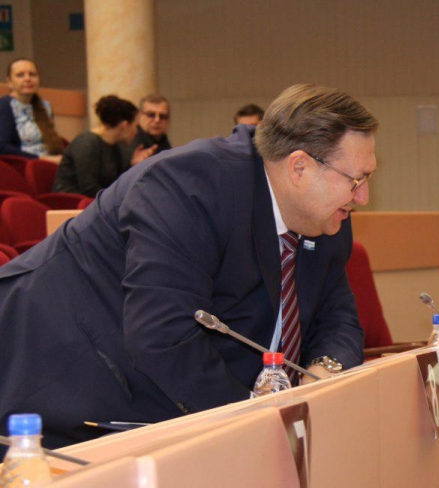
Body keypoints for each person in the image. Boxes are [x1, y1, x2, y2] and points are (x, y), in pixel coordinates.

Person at [0, 84, 374, 449]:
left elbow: (338, 315)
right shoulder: (186, 187)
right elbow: (164, 333)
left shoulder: (326, 215)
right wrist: (252, 422)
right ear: (299, 167)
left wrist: (325, 372)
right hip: (58, 382)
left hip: (167, 399)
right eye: (356, 180)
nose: (363, 196)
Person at [52, 95, 156, 197]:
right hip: (71, 201)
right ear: (124, 125)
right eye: (135, 126)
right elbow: (88, 187)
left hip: (94, 200)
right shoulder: (87, 142)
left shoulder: (115, 145)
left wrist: (132, 165)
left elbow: (116, 182)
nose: (136, 131)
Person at [0, 58, 64, 161]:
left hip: (51, 162)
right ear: (9, 82)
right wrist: (42, 159)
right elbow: (2, 147)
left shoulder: (46, 106)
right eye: (20, 75)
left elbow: (52, 143)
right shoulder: (4, 106)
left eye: (32, 74)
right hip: (22, 164)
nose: (27, 79)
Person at [120, 93, 172, 166]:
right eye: (151, 115)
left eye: (162, 116)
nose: (157, 120)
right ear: (139, 116)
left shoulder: (164, 143)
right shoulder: (129, 141)